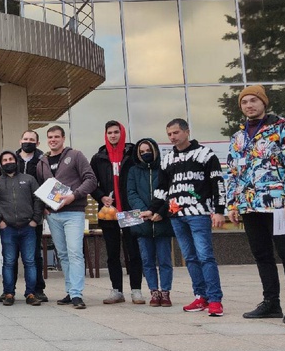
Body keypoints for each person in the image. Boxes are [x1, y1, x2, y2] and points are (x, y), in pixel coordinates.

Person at [226, 85, 285, 324]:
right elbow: (233, 172)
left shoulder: (282, 128)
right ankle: (271, 303)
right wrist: (233, 204)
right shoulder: (238, 136)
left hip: (279, 204)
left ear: (263, 102)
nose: (249, 105)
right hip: (250, 206)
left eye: (253, 100)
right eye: (244, 102)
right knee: (261, 255)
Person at [149, 118, 226, 317]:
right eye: (169, 134)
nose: (172, 137)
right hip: (176, 216)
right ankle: (201, 296)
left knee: (205, 256)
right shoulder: (167, 159)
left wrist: (219, 210)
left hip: (199, 213)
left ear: (187, 132)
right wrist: (153, 209)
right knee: (190, 258)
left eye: (176, 133)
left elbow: (217, 183)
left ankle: (215, 299)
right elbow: (162, 188)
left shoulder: (205, 154)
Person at [36, 126, 97, 310]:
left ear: (63, 138)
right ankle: (70, 291)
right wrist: (44, 207)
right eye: (50, 137)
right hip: (53, 215)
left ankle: (77, 294)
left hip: (74, 213)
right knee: (62, 254)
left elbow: (91, 180)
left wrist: (74, 195)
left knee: (75, 252)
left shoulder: (76, 155)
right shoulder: (42, 163)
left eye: (56, 136)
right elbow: (40, 188)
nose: (53, 140)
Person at [90, 120, 144, 304]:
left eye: (116, 132)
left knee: (134, 251)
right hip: (109, 213)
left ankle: (136, 290)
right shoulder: (99, 157)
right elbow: (91, 182)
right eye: (109, 133)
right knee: (112, 253)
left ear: (122, 133)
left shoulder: (132, 154)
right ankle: (116, 291)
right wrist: (101, 197)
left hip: (130, 211)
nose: (113, 135)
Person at [0, 130, 49, 302]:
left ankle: (31, 293)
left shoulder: (29, 178)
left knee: (30, 261)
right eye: (5, 160)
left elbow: (38, 198)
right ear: (1, 163)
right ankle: (8, 293)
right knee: (9, 261)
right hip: (8, 228)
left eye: (11, 159)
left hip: (28, 227)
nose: (8, 162)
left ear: (16, 161)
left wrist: (35, 220)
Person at [129, 139, 175, 307]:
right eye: (142, 152)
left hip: (163, 221)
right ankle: (154, 292)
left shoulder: (165, 168)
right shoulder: (134, 171)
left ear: (155, 150)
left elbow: (171, 191)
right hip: (143, 222)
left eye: (148, 150)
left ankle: (166, 292)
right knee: (147, 261)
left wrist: (161, 212)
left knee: (165, 260)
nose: (145, 154)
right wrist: (145, 211)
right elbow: (131, 193)